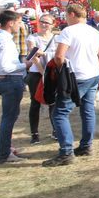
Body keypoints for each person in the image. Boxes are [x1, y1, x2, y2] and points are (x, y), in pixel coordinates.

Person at [43, 4, 99, 167]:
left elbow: (59, 56)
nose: (64, 18)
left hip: (76, 77)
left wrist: (60, 72)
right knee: (87, 110)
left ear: (71, 14)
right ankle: (86, 145)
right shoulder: (94, 32)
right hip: (93, 74)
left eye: (65, 15)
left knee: (60, 113)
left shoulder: (68, 31)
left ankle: (66, 152)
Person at [0, 10, 40, 163]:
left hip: (5, 79)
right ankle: (5, 153)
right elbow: (6, 67)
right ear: (11, 23)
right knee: (9, 118)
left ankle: (6, 148)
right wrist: (25, 64)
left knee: (8, 117)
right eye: (19, 22)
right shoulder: (4, 40)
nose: (21, 25)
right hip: (10, 80)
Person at [25, 14, 57, 144]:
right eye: (42, 22)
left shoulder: (56, 38)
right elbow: (33, 55)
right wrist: (42, 72)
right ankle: (34, 133)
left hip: (52, 73)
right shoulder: (32, 37)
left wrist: (44, 54)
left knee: (53, 102)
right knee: (35, 102)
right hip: (36, 73)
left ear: (53, 25)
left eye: (47, 22)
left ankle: (55, 130)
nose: (44, 24)